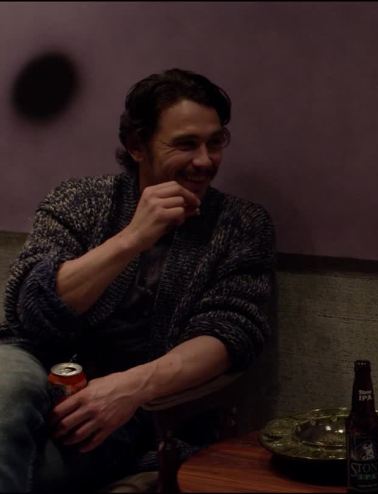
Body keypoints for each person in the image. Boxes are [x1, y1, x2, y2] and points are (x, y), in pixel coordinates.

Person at [0, 68, 275, 492]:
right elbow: (31, 311)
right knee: (8, 388)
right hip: (34, 361)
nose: (205, 160)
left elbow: (231, 334)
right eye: (186, 144)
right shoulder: (79, 200)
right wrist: (131, 238)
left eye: (215, 141)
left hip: (131, 403)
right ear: (136, 146)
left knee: (40, 471)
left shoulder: (241, 224)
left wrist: (130, 388)